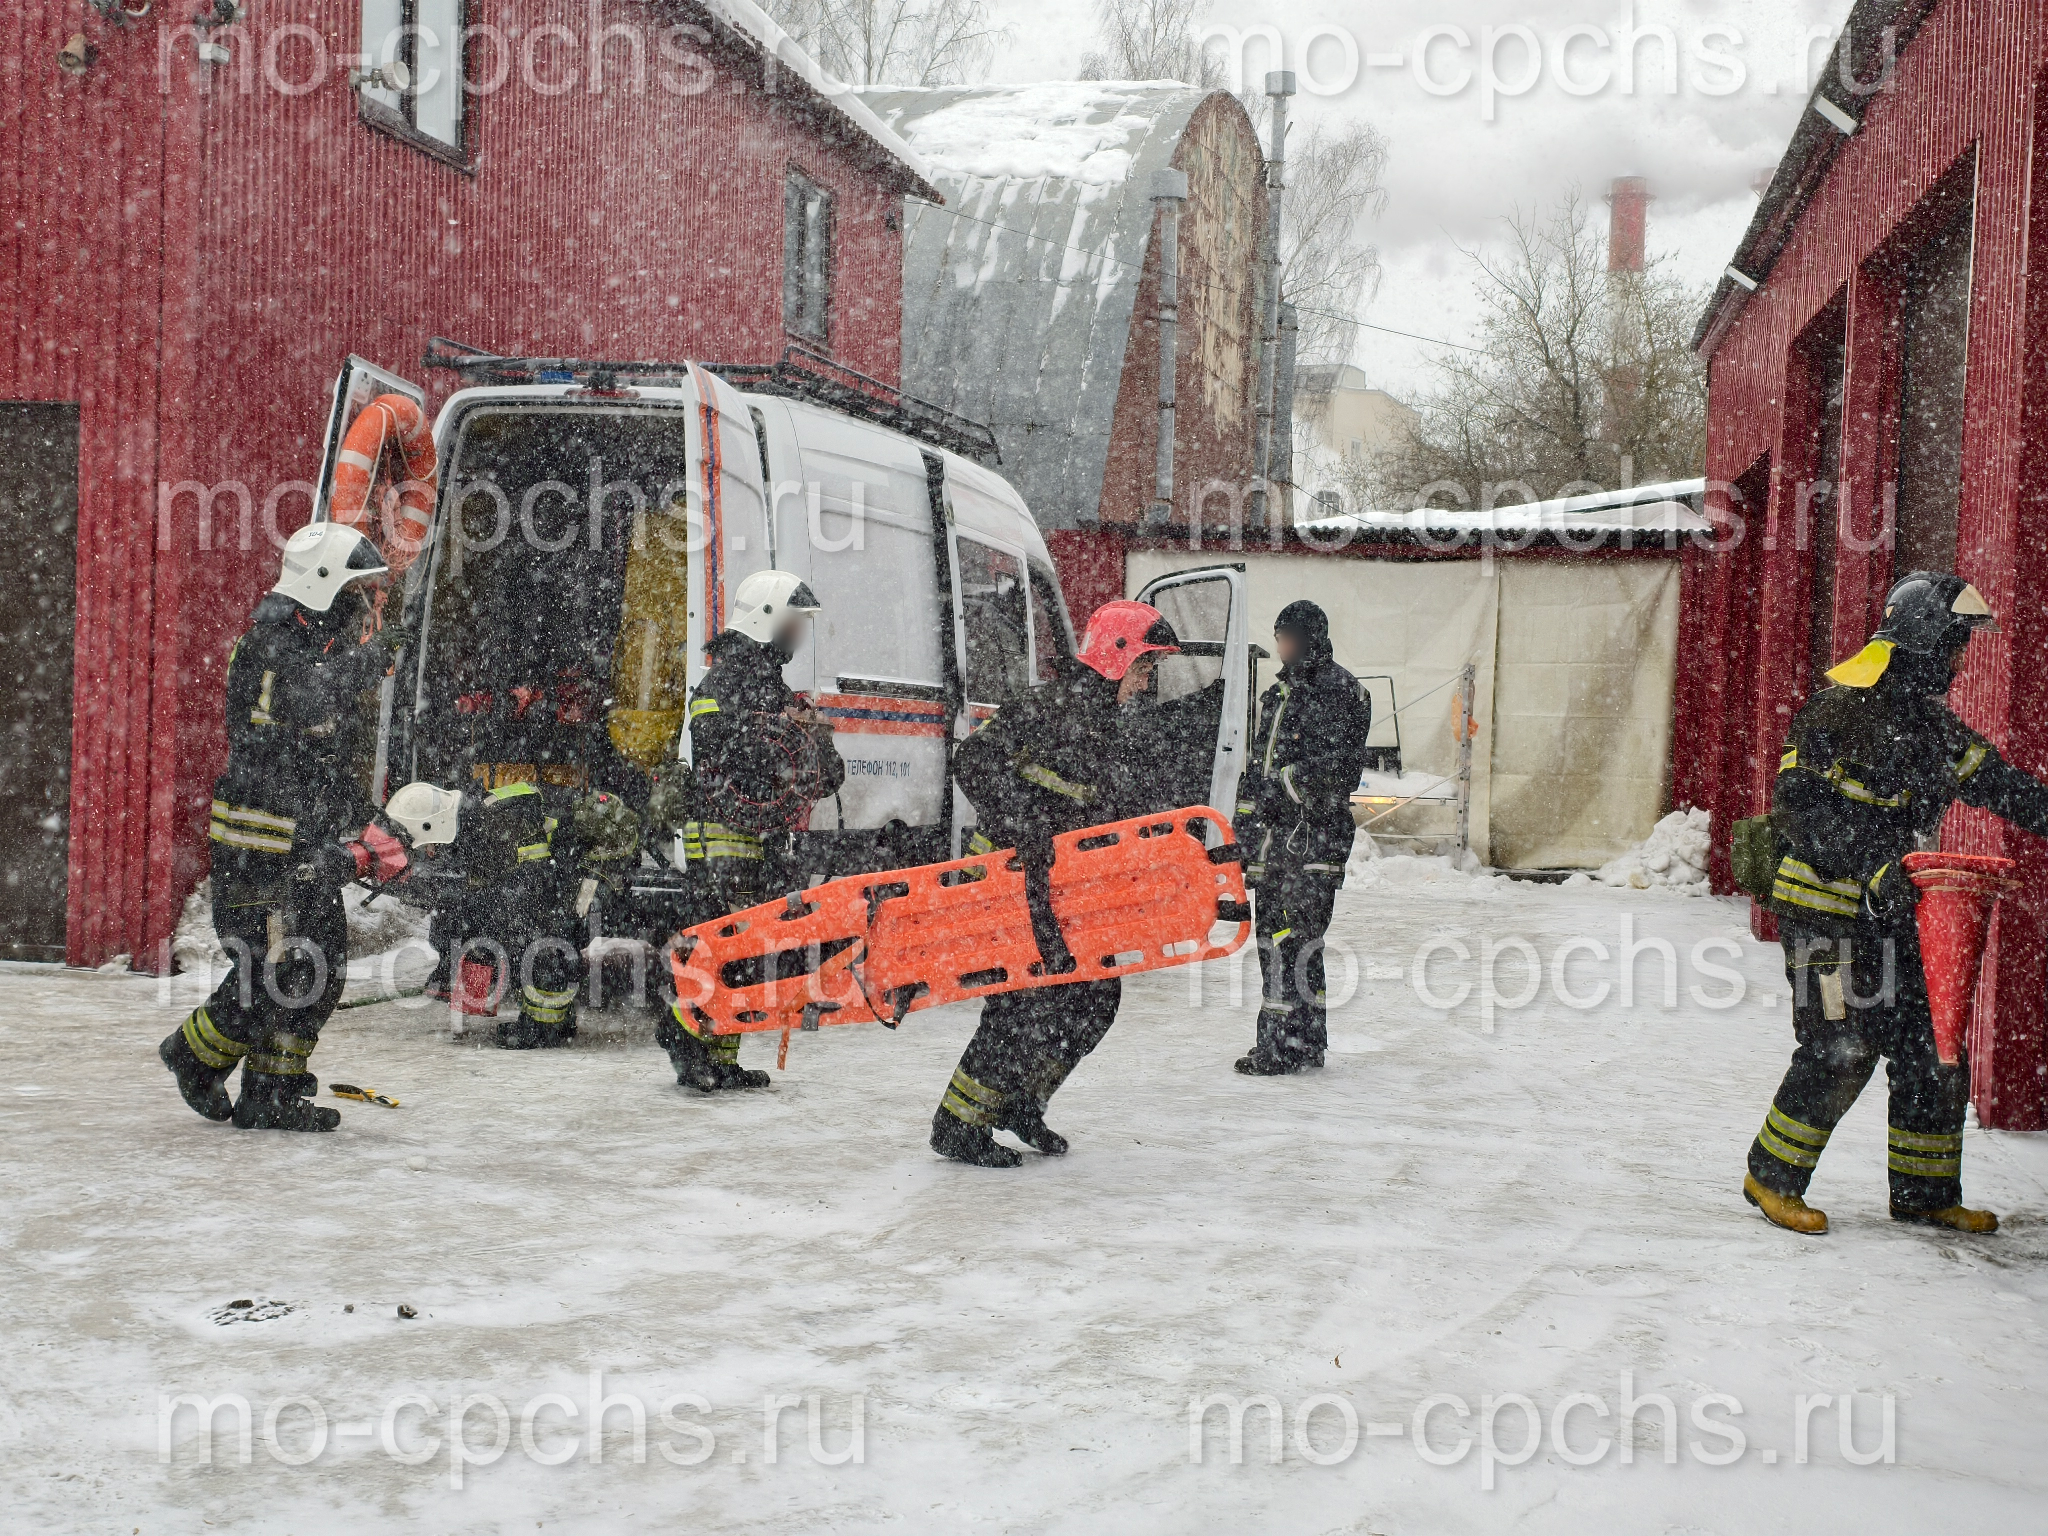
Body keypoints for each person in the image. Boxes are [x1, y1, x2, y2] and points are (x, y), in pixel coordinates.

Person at [1744, 571, 2048, 1236]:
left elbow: (2002, 786)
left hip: (1895, 913)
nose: (1961, 660)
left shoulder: (1934, 729)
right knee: (1843, 1046)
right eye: (1955, 645)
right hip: (1824, 914)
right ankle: (1772, 1178)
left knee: (1932, 1048)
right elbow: (1797, 811)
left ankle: (1924, 1194)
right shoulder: (1835, 712)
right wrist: (1869, 865)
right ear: (1926, 643)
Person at [158, 524, 410, 1132]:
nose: (363, 608)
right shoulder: (270, 645)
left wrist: (370, 823)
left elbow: (315, 757)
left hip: (300, 837)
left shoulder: (311, 646)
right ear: (324, 587)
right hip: (259, 842)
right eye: (357, 593)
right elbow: (308, 703)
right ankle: (193, 1054)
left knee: (315, 966)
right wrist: (375, 656)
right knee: (274, 968)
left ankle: (272, 1092)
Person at [930, 599, 1181, 1167]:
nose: (1145, 683)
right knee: (1024, 1005)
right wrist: (1023, 821)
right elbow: (974, 763)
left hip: (1061, 897)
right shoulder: (1046, 708)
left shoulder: (1108, 729)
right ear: (1116, 657)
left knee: (1095, 995)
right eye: (1144, 667)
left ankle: (1021, 1102)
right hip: (1004, 885)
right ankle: (959, 1124)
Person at [652, 570, 845, 1091]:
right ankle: (681, 1035)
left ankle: (720, 1056)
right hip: (717, 835)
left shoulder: (771, 686)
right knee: (716, 946)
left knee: (743, 950)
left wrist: (808, 737)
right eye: (793, 623)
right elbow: (725, 752)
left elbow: (827, 776)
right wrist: (786, 737)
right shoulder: (725, 681)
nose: (798, 635)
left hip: (758, 841)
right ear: (767, 619)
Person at [389, 780, 639, 1049]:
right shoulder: (476, 821)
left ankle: (545, 1027)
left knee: (543, 936)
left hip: (598, 869)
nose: (429, 853)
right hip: (569, 868)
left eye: (430, 846)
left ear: (435, 826)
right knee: (516, 923)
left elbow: (526, 892)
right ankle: (558, 1019)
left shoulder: (492, 828)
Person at [1232, 601, 1373, 1075]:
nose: (1281, 647)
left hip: (1314, 840)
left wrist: (1280, 790)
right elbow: (1258, 767)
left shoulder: (1338, 692)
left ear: (1311, 638)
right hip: (1280, 843)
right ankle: (1306, 1041)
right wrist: (1247, 822)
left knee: (1287, 941)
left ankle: (1279, 1045)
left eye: (1289, 636)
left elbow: (1336, 769)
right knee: (1290, 943)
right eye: (1278, 637)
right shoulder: (1279, 696)